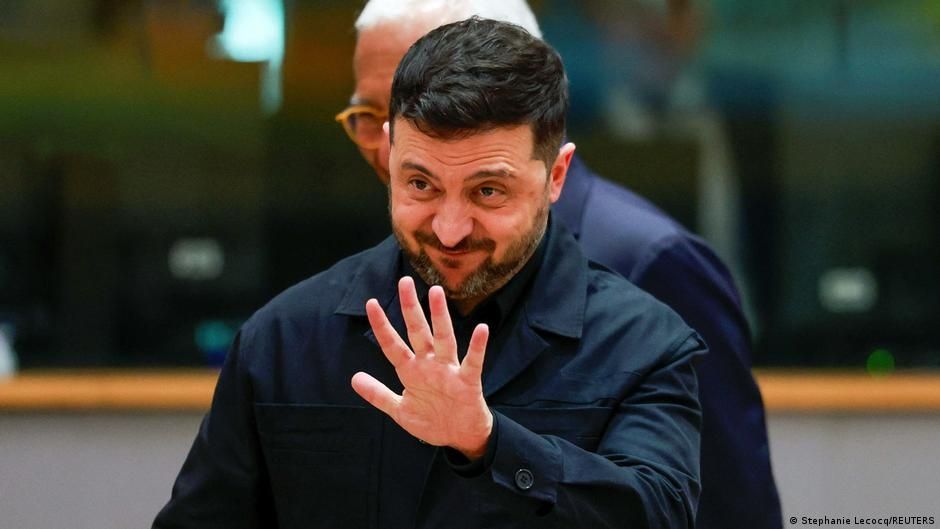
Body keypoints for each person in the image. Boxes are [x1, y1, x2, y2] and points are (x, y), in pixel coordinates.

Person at [155, 17, 704, 529]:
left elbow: (659, 514)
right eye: (421, 185)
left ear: (556, 176)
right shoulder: (284, 338)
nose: (449, 230)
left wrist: (490, 443)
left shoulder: (646, 346)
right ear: (390, 156)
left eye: (488, 191)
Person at [338, 1, 782, 528]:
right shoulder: (364, 279)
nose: (386, 142)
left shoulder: (650, 262)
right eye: (372, 116)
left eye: (443, 95)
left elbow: (727, 507)